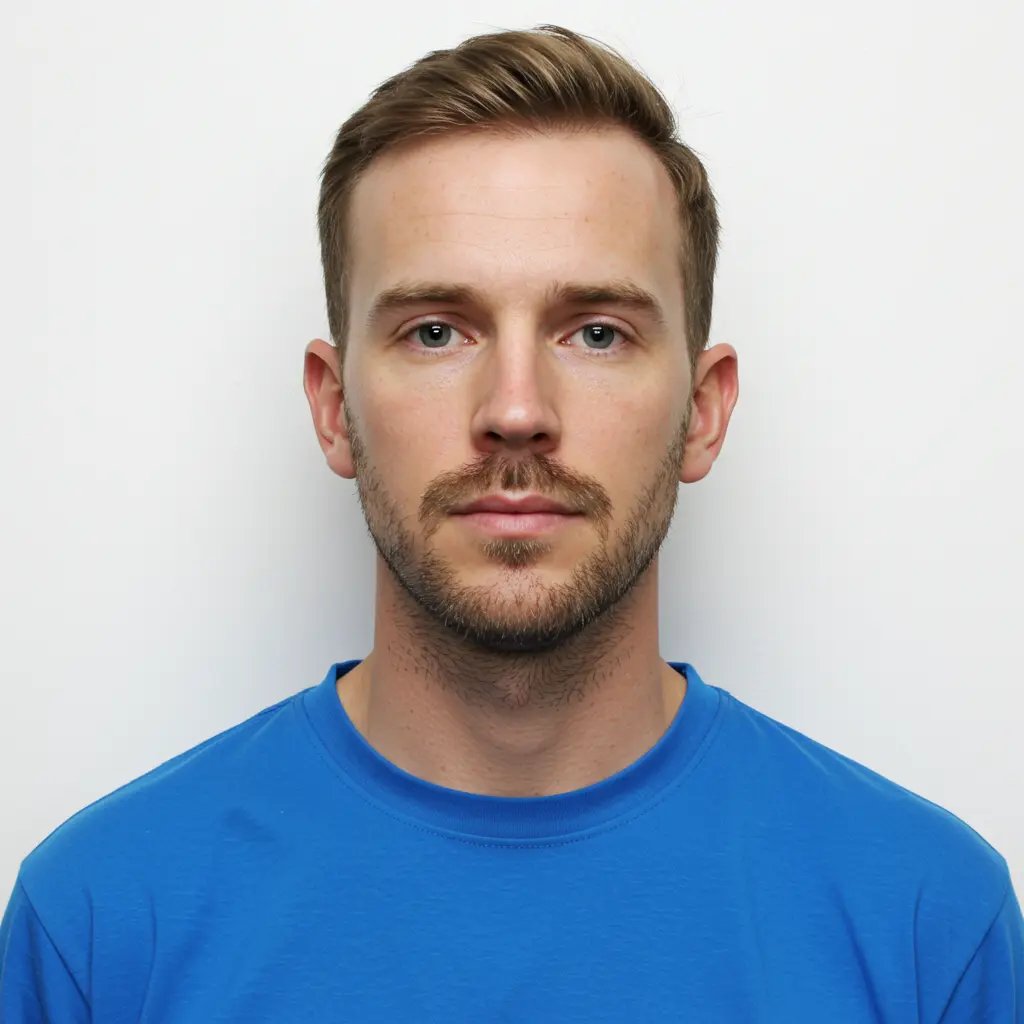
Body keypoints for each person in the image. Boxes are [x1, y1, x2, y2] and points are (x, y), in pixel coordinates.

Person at [2, 22, 1021, 1022]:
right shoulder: (100, 925)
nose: (517, 409)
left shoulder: (926, 926)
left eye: (597, 332)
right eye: (435, 331)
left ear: (704, 411)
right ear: (334, 407)